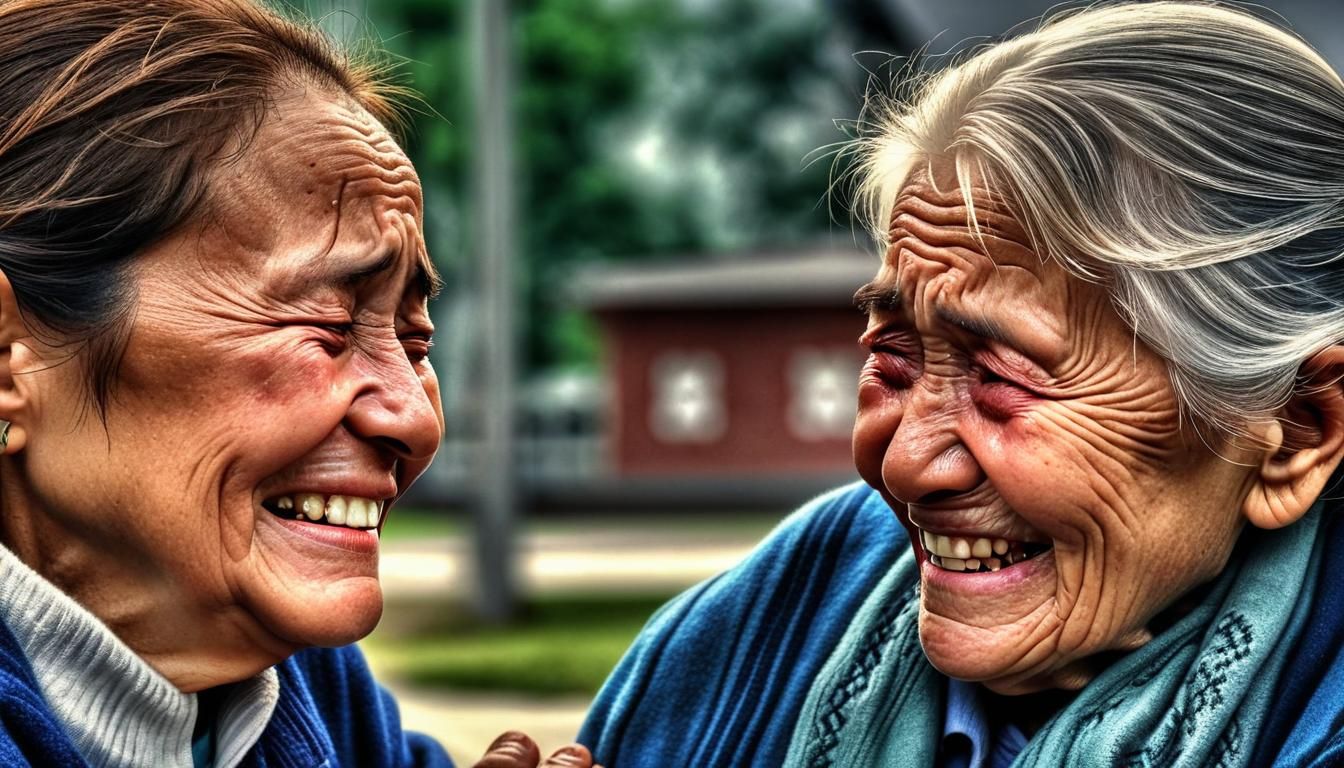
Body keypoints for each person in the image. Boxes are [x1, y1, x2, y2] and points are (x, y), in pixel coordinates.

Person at [579, 3, 1344, 766]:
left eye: (1001, 377)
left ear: (1296, 433)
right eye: (895, 360)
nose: (905, 464)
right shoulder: (759, 629)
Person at [0, 1, 597, 766]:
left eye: (416, 340)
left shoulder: (310, 690)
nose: (413, 419)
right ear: (9, 355)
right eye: (329, 325)